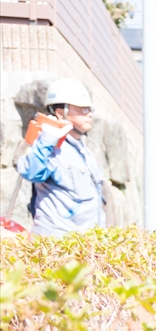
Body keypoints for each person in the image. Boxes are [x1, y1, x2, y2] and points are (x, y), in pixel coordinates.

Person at [17, 78, 105, 236]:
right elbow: (31, 172)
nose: (89, 114)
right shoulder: (48, 145)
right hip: (57, 242)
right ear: (60, 112)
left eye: (89, 109)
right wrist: (47, 140)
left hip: (84, 242)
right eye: (82, 109)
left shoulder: (85, 151)